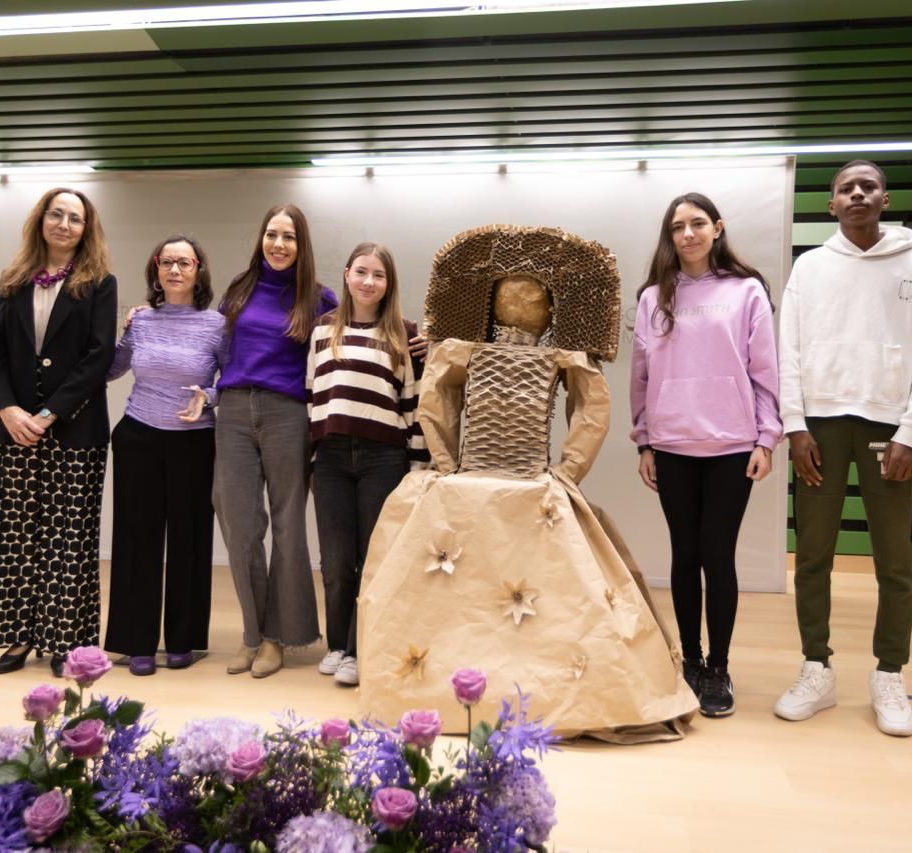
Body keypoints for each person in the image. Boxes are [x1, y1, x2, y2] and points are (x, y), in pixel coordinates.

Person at [357, 225, 700, 740]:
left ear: (552, 307)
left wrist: (568, 470)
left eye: (534, 294)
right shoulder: (464, 348)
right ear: (490, 301)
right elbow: (438, 398)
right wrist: (446, 459)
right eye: (509, 293)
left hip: (532, 478)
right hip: (472, 475)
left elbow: (592, 409)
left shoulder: (562, 356)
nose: (520, 301)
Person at [775, 160, 912, 737]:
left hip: (887, 429)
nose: (856, 193)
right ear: (830, 205)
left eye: (867, 186)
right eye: (845, 187)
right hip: (820, 428)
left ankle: (889, 673)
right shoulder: (810, 266)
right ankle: (816, 667)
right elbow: (788, 350)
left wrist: (910, 433)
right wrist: (795, 426)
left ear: (884, 199)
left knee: (895, 561)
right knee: (813, 554)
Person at [630, 192, 781, 718]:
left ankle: (719, 666)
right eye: (678, 227)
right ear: (669, 238)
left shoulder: (746, 292)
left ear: (717, 229)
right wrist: (644, 440)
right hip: (671, 444)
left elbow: (765, 370)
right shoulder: (654, 298)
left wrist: (767, 437)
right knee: (683, 554)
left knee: (717, 557)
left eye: (697, 224)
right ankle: (689, 660)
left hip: (732, 445)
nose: (688, 234)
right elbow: (641, 377)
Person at [0, 187, 116, 677]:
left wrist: (50, 413)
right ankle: (18, 636)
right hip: (13, 430)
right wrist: (8, 410)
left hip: (76, 430)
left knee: (68, 538)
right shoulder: (12, 280)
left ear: (86, 228)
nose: (63, 223)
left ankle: (64, 640)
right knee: (13, 535)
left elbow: (99, 356)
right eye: (55, 214)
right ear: (41, 221)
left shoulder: (100, 282)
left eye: (74, 218)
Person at [213, 204, 338, 678]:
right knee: (241, 526)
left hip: (288, 414)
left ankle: (279, 638)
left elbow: (352, 339)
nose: (279, 244)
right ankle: (252, 633)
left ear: (301, 244)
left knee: (288, 526)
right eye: (272, 234)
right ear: (261, 239)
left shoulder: (320, 299)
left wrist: (412, 336)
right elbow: (217, 350)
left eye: (289, 236)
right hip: (234, 412)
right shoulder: (239, 291)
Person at [307, 242, 429, 688]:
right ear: (346, 275)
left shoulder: (405, 332)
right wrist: (312, 461)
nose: (368, 281)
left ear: (388, 284)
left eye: (378, 275)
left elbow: (414, 405)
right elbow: (312, 397)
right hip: (333, 458)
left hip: (384, 458)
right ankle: (337, 644)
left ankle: (361, 651)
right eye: (362, 272)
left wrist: (416, 471)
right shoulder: (323, 331)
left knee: (372, 559)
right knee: (336, 561)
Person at [103, 235, 224, 676]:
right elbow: (114, 369)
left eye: (184, 263)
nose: (175, 270)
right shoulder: (141, 321)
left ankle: (183, 639)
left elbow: (231, 379)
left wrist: (208, 396)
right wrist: (119, 331)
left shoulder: (216, 324)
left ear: (198, 270)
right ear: (156, 268)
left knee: (190, 540)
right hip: (140, 436)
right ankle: (136, 641)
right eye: (167, 262)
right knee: (138, 541)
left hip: (194, 440)